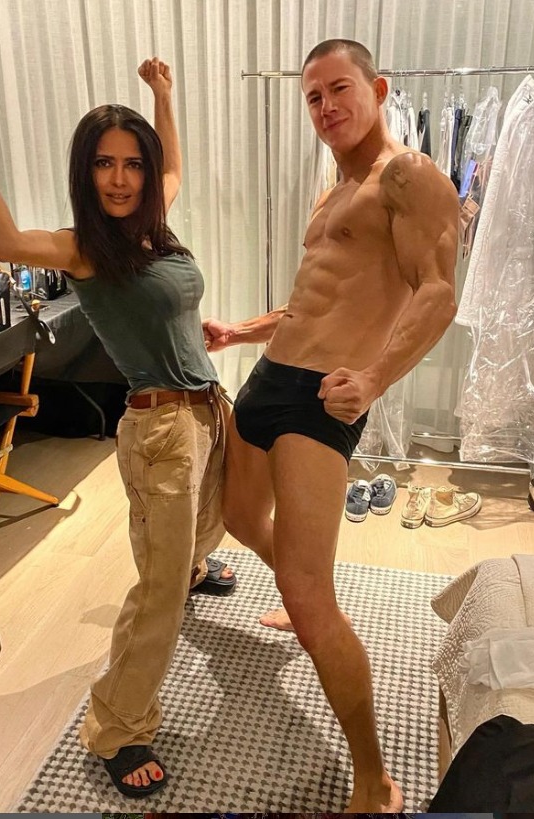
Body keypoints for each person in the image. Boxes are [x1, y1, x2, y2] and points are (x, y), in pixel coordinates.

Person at [0, 58, 237, 798]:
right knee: (157, 592)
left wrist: (163, 96)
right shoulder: (85, 248)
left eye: (132, 163)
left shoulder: (153, 226)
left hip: (203, 407)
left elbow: (175, 166)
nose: (121, 179)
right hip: (160, 429)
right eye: (104, 164)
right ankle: (117, 726)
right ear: (84, 171)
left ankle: (194, 568)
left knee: (207, 521)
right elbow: (3, 238)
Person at [203, 39, 459, 812]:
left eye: (339, 89)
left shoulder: (407, 176)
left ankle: (372, 777)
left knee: (309, 594)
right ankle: (297, 582)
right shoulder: (332, 193)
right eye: (312, 96)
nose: (325, 107)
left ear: (376, 88)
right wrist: (240, 332)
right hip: (267, 378)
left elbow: (436, 290)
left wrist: (374, 377)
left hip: (319, 398)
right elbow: (310, 300)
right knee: (236, 516)